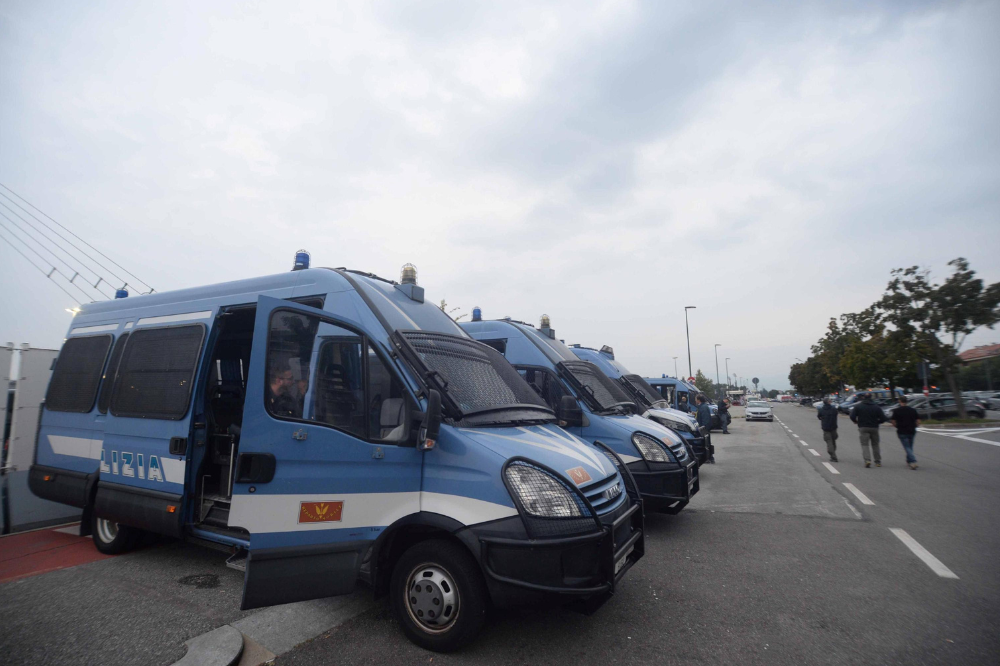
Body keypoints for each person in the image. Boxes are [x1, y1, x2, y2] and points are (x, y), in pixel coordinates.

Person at [849, 392, 887, 468]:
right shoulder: (876, 407)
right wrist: (878, 422)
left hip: (863, 427)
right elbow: (883, 418)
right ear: (871, 398)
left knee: (865, 444)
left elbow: (852, 416)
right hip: (874, 427)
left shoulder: (858, 406)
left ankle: (867, 460)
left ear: (863, 398)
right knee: (875, 444)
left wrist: (856, 421)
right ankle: (877, 461)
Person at [890, 396, 920, 470]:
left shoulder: (896, 411)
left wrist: (896, 426)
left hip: (902, 430)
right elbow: (918, 420)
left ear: (900, 401)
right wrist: (915, 426)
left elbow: (893, 421)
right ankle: (909, 460)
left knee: (907, 447)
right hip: (911, 430)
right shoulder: (912, 410)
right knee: (910, 446)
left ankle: (913, 461)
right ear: (906, 401)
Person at [817, 397, 839, 462]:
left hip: (826, 428)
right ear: (829, 402)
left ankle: (833, 455)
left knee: (829, 441)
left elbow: (819, 416)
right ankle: (833, 454)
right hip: (833, 427)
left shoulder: (821, 409)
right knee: (833, 441)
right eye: (830, 401)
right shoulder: (834, 409)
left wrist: (823, 419)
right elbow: (836, 414)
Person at [695, 394, 715, 463]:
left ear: (699, 400)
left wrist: (703, 428)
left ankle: (710, 458)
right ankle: (709, 458)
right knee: (706, 443)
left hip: (704, 428)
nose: (695, 400)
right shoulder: (702, 406)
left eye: (696, 399)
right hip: (704, 427)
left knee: (706, 443)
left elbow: (705, 418)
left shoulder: (703, 407)